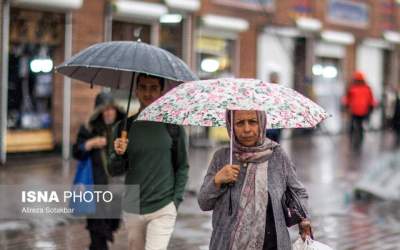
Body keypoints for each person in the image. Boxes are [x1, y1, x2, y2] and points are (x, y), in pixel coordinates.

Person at [198, 110, 311, 250]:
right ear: (231, 125)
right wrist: (217, 181)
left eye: (252, 122)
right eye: (239, 123)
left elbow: (298, 192)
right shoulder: (221, 158)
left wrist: (304, 219)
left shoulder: (277, 155)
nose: (246, 129)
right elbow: (203, 202)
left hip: (273, 245)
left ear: (262, 123)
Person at [110, 74, 189, 250]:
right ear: (136, 90)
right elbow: (114, 170)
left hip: (163, 206)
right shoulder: (123, 128)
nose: (148, 92)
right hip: (132, 205)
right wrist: (118, 154)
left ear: (161, 91)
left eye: (153, 88)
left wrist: (175, 202)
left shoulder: (173, 127)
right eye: (143, 87)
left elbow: (182, 166)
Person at [72, 92, 124, 250]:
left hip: (116, 190)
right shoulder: (89, 129)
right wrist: (91, 143)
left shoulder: (122, 130)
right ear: (98, 112)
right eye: (105, 110)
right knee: (97, 231)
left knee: (111, 225)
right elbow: (76, 152)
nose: (108, 113)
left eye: (111, 109)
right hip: (94, 188)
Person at [342, 71, 377, 150]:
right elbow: (371, 100)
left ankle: (353, 140)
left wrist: (346, 105)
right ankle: (359, 141)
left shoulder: (352, 88)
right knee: (359, 125)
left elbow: (347, 99)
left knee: (353, 125)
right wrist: (371, 107)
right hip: (362, 111)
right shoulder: (367, 88)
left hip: (354, 110)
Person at [266, 72, 282, 142]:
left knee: (276, 142)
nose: (275, 80)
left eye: (276, 79)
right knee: (268, 141)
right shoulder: (267, 91)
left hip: (277, 123)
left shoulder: (280, 91)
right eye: (273, 78)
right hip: (269, 122)